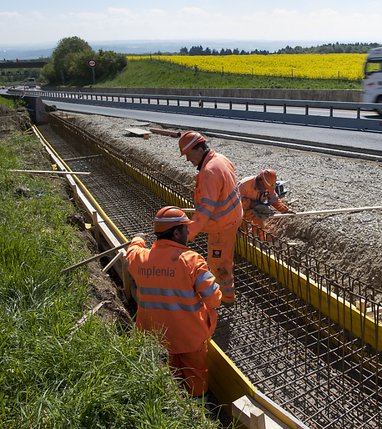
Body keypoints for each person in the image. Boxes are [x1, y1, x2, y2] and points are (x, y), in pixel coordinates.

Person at [125, 206, 222, 397]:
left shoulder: (141, 258)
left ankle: (173, 405)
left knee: (168, 380)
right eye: (186, 228)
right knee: (195, 381)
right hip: (189, 337)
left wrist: (138, 239)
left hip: (154, 337)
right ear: (177, 233)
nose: (188, 232)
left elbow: (131, 253)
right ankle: (196, 406)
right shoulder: (191, 260)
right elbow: (214, 298)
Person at [178, 131, 242, 304]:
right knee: (222, 260)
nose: (188, 160)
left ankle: (227, 299)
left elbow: (205, 212)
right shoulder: (220, 159)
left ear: (198, 149)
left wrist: (186, 234)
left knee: (218, 264)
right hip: (231, 217)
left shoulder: (209, 172)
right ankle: (225, 296)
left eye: (188, 155)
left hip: (223, 225)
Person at [238, 169, 294, 241]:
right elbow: (236, 201)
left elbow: (273, 199)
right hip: (242, 210)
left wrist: (285, 210)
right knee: (243, 225)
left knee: (259, 224)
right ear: (260, 180)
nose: (266, 190)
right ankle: (241, 238)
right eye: (264, 187)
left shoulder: (268, 186)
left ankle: (259, 240)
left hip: (256, 208)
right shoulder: (244, 185)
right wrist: (252, 204)